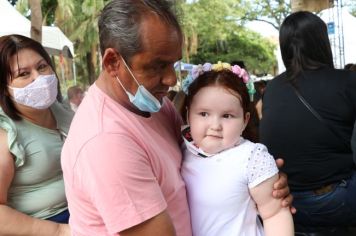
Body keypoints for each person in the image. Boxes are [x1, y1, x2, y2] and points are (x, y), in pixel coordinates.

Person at [61, 1, 293, 235]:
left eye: (173, 63)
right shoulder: (106, 143)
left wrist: (258, 178)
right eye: (158, 65)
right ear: (113, 62)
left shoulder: (154, 104)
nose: (172, 79)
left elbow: (200, 154)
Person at [260, 11, 356, 234]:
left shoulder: (272, 88)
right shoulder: (346, 81)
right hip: (334, 201)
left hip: (285, 202)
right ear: (322, 42)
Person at [181, 62, 294, 236]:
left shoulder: (252, 157)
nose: (215, 125)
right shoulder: (181, 148)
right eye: (203, 113)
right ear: (188, 115)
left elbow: (275, 214)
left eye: (227, 116)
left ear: (245, 120)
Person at [0, 34, 73, 235]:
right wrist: (60, 230)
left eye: (42, 67)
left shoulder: (62, 111)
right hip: (44, 226)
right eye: (23, 74)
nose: (38, 78)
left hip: (86, 213)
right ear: (4, 88)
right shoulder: (5, 132)